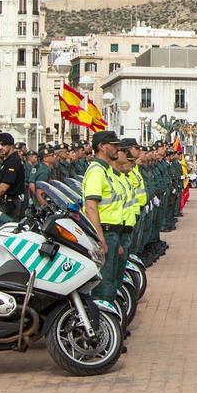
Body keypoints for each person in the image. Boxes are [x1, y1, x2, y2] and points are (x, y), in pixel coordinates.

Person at [80, 131, 131, 317]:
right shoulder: (96, 171)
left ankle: (110, 324)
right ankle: (102, 328)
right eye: (114, 145)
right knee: (104, 286)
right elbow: (91, 207)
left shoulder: (106, 171)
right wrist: (100, 238)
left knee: (113, 282)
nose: (117, 148)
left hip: (114, 232)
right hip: (106, 232)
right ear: (102, 146)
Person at [0, 133, 27, 220]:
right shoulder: (8, 161)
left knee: (9, 229)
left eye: (3, 144)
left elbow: (4, 186)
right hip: (8, 202)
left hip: (12, 204)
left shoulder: (12, 161)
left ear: (11, 145)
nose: (0, 147)